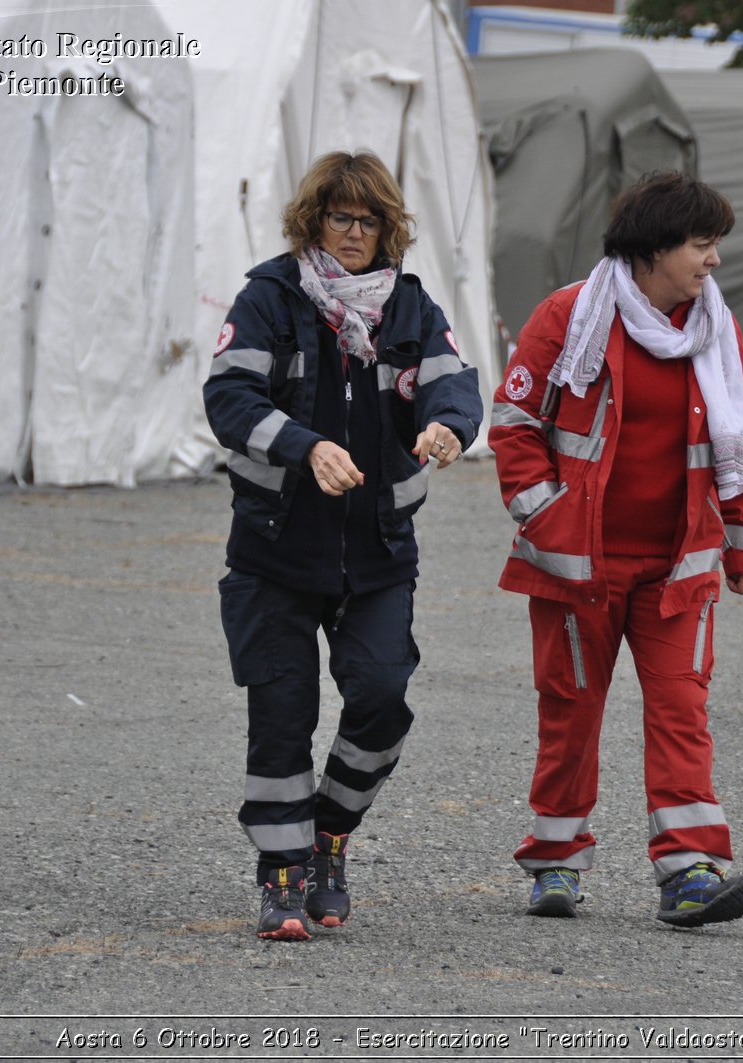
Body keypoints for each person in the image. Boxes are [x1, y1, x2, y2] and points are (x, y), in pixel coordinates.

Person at [203, 150, 482, 940]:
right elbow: (228, 394)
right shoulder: (271, 296)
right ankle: (283, 875)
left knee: (382, 696)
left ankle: (331, 833)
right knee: (283, 713)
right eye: (339, 216)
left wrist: (446, 424)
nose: (353, 233)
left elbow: (453, 380)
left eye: (368, 220)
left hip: (379, 551)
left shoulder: (411, 306)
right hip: (275, 550)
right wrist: (302, 445)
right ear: (313, 219)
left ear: (388, 227)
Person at [489, 172, 743, 928]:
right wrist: (544, 516)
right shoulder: (569, 315)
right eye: (701, 244)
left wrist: (741, 541)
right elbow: (513, 420)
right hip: (579, 567)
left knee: (682, 710)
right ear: (653, 250)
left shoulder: (715, 327)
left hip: (679, 566)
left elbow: (735, 437)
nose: (713, 261)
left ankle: (691, 870)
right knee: (571, 712)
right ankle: (554, 864)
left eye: (715, 245)